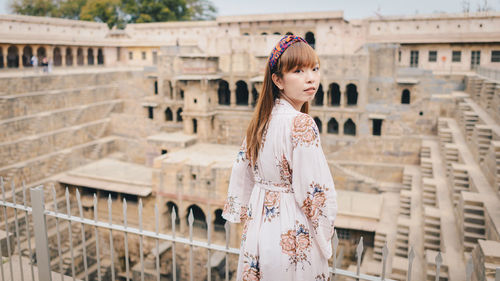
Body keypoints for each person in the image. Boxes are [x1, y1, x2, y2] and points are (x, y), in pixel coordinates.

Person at [221, 35, 338, 280]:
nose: (311, 78)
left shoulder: (260, 122)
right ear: (278, 80)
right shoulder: (301, 123)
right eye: (298, 70)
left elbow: (241, 174)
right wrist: (325, 237)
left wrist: (244, 213)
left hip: (259, 229)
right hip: (291, 231)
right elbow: (314, 193)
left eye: (315, 68)